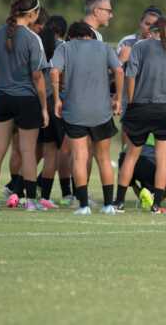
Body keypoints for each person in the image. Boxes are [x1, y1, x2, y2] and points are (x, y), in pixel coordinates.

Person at [114, 16, 166, 214]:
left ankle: (119, 203)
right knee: (162, 157)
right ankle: (157, 205)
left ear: (152, 32)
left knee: (131, 155)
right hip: (165, 108)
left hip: (140, 106)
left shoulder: (140, 46)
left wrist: (131, 100)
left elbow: (130, 74)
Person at [0, 0, 49, 211]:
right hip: (27, 100)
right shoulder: (32, 39)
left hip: (2, 98)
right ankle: (30, 202)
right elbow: (38, 77)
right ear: (32, 14)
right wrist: (44, 107)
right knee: (28, 151)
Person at [51, 22, 124, 215]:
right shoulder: (104, 47)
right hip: (101, 111)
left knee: (79, 158)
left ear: (71, 36)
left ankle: (83, 206)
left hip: (74, 111)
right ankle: (109, 205)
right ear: (90, 35)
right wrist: (118, 98)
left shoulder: (65, 47)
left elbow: (53, 71)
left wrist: (57, 99)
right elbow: (119, 70)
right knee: (103, 158)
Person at [37, 15, 69, 207]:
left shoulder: (38, 44)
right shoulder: (63, 47)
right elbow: (62, 74)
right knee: (56, 154)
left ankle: (22, 192)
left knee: (36, 152)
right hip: (55, 102)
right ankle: (47, 198)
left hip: (38, 101)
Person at [118, 134, 166, 209]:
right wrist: (164, 194)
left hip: (123, 160)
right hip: (147, 166)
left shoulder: (144, 128)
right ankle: (154, 199)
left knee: (129, 168)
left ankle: (120, 200)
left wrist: (135, 188)